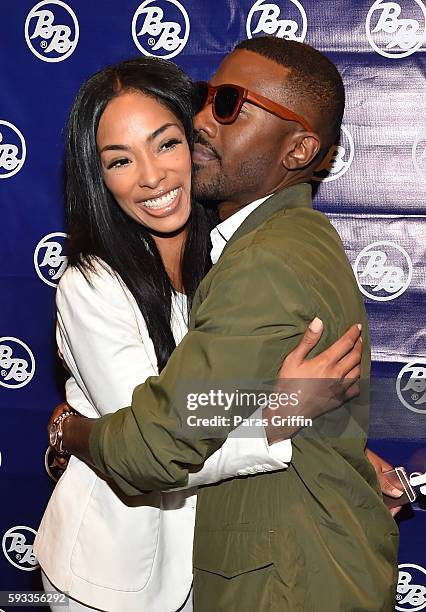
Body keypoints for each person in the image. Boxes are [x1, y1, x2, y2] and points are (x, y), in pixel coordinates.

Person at [49, 37, 401, 611]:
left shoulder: (240, 257)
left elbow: (172, 428)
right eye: (119, 160)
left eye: (166, 142)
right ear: (100, 178)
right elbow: (160, 447)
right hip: (118, 577)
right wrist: (288, 415)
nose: (151, 174)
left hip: (232, 566)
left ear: (299, 149)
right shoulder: (94, 284)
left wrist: (74, 432)